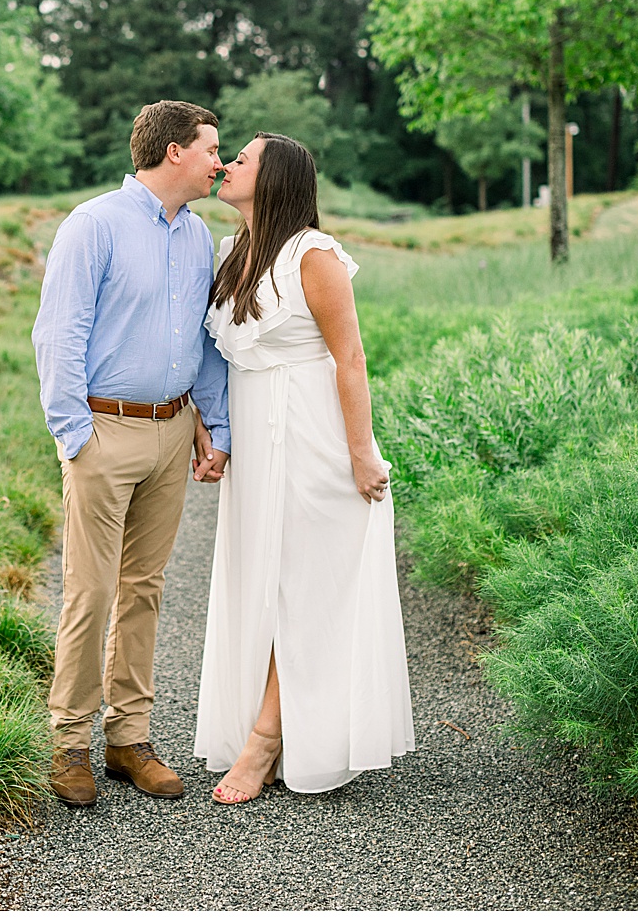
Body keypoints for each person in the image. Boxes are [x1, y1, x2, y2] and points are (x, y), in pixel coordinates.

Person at [193, 132, 414, 803]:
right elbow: (221, 359)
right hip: (258, 441)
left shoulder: (312, 255)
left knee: (304, 586)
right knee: (262, 580)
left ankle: (265, 740)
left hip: (313, 437)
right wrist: (213, 432)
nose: (228, 165)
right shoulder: (233, 252)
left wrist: (360, 452)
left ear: (276, 177)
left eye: (243, 159)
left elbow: (350, 358)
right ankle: (274, 727)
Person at [32, 101, 232, 808]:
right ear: (175, 151)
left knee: (145, 587)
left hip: (173, 431)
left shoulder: (199, 234)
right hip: (103, 432)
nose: (220, 161)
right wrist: (75, 435)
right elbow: (58, 334)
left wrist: (217, 427)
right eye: (212, 148)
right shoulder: (93, 225)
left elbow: (206, 341)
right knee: (90, 591)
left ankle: (128, 738)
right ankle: (67, 743)